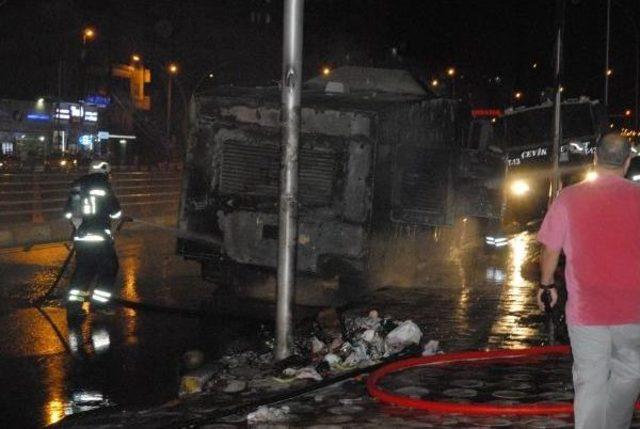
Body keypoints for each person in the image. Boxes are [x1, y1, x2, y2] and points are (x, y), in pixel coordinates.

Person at [537, 133, 640, 429]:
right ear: (628, 160)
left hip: (587, 312)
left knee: (590, 379)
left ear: (595, 158)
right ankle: (614, 423)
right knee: (630, 374)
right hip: (633, 311)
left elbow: (550, 248)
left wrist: (546, 286)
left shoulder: (569, 198)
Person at [64, 160, 122, 317]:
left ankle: (74, 308)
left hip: (81, 238)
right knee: (110, 268)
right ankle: (99, 304)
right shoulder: (104, 185)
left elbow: (68, 213)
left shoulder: (77, 185)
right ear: (105, 172)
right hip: (100, 239)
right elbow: (116, 213)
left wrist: (79, 224)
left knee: (83, 271)